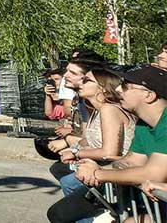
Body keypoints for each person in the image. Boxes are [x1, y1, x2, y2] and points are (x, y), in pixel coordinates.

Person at [47, 65, 167, 223]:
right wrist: (98, 169)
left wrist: (98, 174)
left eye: (126, 86)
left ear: (149, 95)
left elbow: (153, 174)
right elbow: (132, 160)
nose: (118, 89)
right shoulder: (144, 124)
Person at [49, 68, 137, 197]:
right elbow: (91, 141)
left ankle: (100, 209)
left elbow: (109, 152)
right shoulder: (96, 110)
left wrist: (75, 153)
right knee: (59, 169)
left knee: (69, 183)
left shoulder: (109, 109)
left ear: (103, 88)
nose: (81, 83)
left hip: (120, 171)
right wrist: (74, 149)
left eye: (87, 80)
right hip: (104, 164)